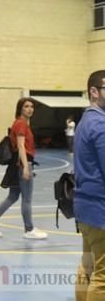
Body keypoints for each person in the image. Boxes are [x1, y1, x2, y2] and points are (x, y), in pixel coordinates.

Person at [0, 97, 48, 240]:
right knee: (27, 199)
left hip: (18, 164)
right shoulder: (21, 124)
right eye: (26, 106)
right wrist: (25, 167)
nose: (30, 109)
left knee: (13, 197)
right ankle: (29, 229)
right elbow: (20, 147)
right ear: (20, 109)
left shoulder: (21, 124)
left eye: (31, 106)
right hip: (23, 164)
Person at [74, 70, 105, 301]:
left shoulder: (86, 120)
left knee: (87, 267)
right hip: (100, 210)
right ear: (94, 92)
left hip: (84, 209)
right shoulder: (101, 125)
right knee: (102, 277)